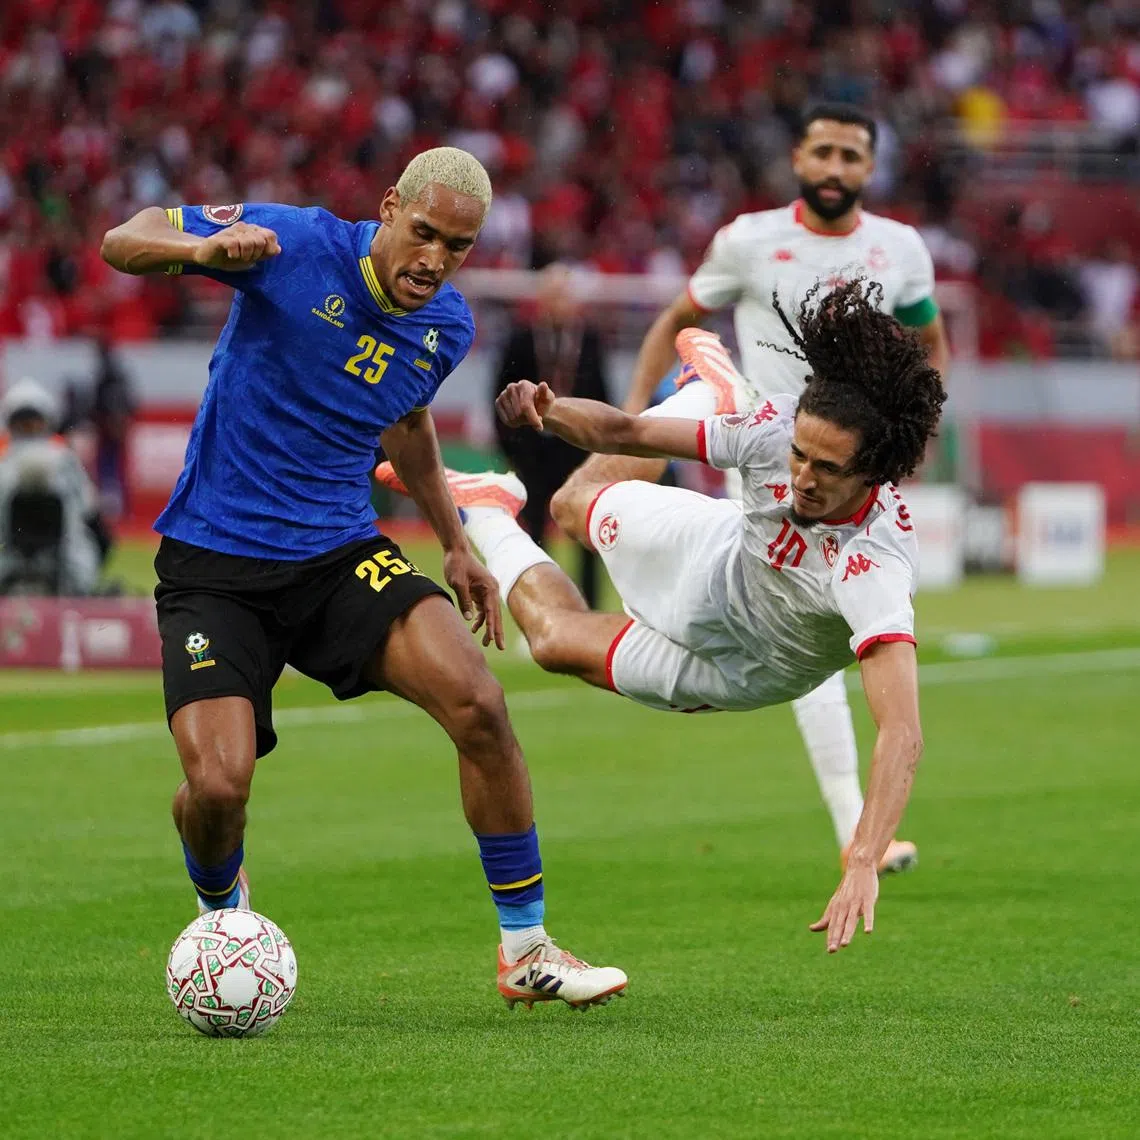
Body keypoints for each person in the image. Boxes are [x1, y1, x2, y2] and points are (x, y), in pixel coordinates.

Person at [99, 146, 626, 1010]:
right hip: (215, 564)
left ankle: (526, 950)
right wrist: (200, 255)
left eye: (457, 247)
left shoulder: (446, 327)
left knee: (480, 705)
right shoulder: (293, 241)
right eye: (423, 234)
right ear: (388, 208)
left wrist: (454, 543)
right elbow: (126, 239)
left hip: (338, 554)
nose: (434, 260)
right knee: (219, 788)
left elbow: (406, 421)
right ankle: (222, 916)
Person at [377, 279, 946, 952]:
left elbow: (901, 732)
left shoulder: (872, 564)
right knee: (568, 506)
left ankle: (487, 510)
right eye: (800, 454)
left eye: (827, 468)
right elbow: (628, 430)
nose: (803, 476)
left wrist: (861, 861)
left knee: (556, 642)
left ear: (875, 471)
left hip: (747, 667)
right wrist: (551, 413)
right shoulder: (778, 430)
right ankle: (710, 395)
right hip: (710, 557)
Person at [578, 103, 951, 873]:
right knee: (803, 623)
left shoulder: (901, 250)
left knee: (810, 626)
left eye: (852, 154)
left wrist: (918, 434)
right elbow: (680, 312)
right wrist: (638, 408)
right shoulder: (749, 240)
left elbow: (930, 337)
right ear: (798, 157)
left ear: (869, 168)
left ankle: (855, 829)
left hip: (838, 470)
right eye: (824, 151)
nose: (836, 167)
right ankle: (855, 829)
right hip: (767, 447)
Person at [493, 263, 610, 606]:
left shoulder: (589, 339)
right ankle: (541, 608)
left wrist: (599, 447)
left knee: (586, 532)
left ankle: (589, 610)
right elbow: (499, 395)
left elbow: (602, 394)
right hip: (532, 453)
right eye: (553, 295)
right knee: (535, 536)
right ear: (541, 300)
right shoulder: (521, 338)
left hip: (577, 451)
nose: (559, 302)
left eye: (565, 295)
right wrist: (511, 449)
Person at [0, 378, 102, 596]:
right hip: (68, 573)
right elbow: (90, 509)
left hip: (8, 570)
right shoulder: (66, 460)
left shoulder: (3, 463)